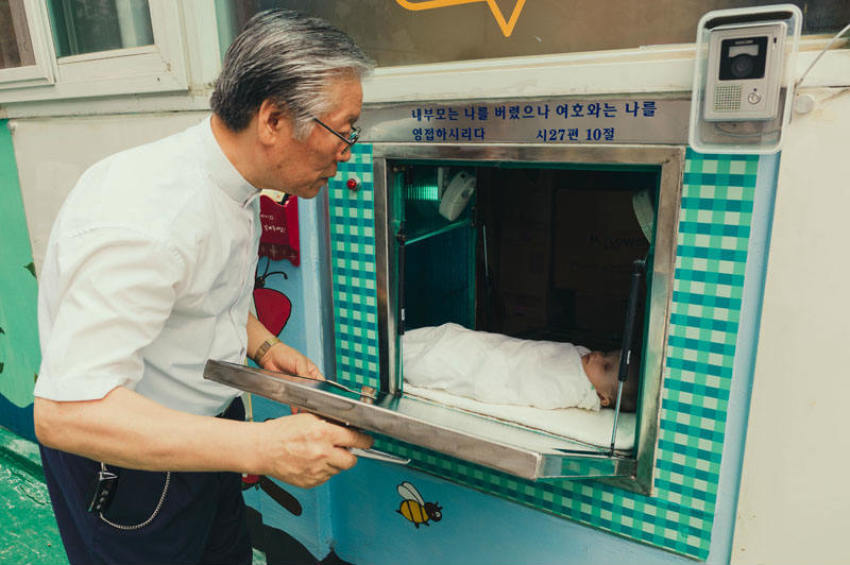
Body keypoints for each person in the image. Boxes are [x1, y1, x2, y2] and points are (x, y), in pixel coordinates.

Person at [33, 10, 373, 565]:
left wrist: (263, 347)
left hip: (204, 435)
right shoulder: (147, 220)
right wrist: (264, 447)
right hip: (131, 462)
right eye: (342, 130)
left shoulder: (232, 182)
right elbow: (67, 411)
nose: (348, 151)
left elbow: (200, 292)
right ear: (272, 120)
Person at [402, 323, 640, 412]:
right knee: (454, 336)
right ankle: (400, 342)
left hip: (492, 369)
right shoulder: (581, 356)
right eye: (607, 354)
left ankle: (400, 357)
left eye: (606, 367)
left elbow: (524, 383)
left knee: (445, 359)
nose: (599, 356)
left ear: (602, 397)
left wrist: (492, 378)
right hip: (498, 349)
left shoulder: (570, 387)